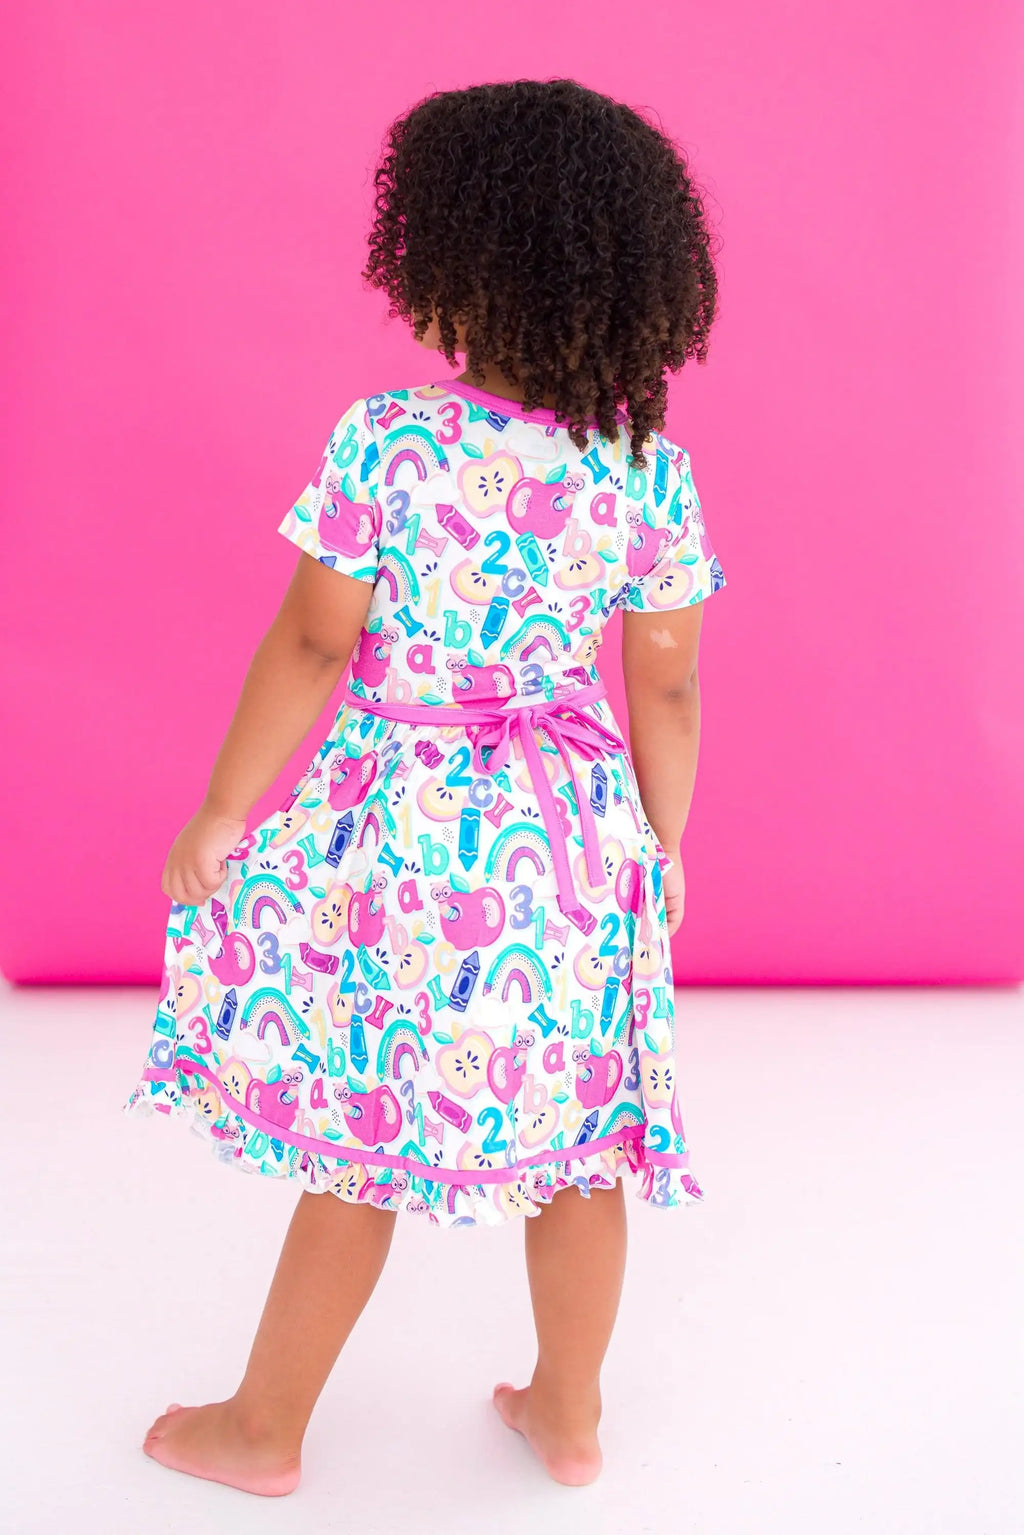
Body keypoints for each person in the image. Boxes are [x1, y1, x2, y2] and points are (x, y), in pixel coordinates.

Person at [124, 77, 727, 1498]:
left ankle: (263, 1430)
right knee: (587, 1139)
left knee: (363, 1138)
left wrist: (224, 806)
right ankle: (567, 1416)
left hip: (409, 835)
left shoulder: (392, 438)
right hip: (575, 840)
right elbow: (668, 685)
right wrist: (664, 840)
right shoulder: (650, 471)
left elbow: (315, 640)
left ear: (450, 266)